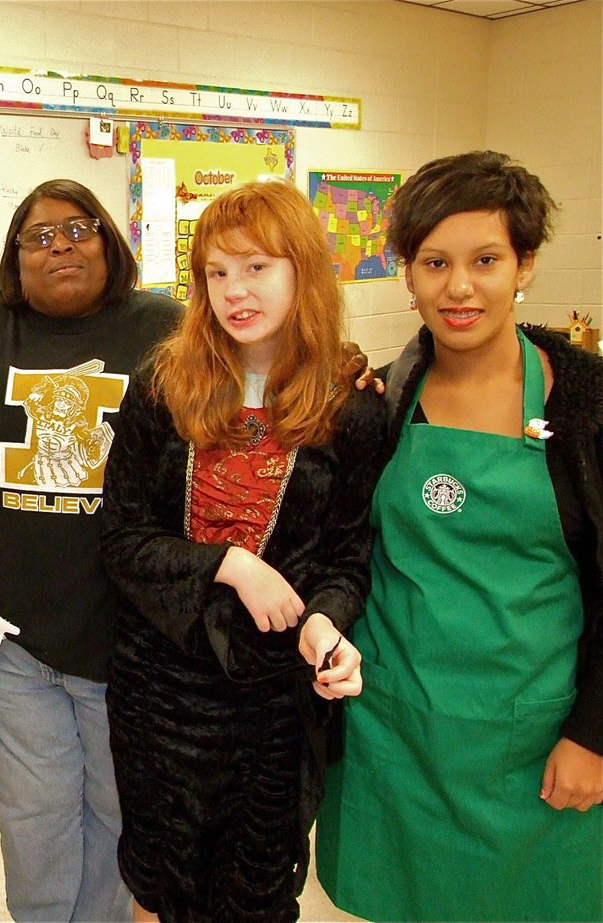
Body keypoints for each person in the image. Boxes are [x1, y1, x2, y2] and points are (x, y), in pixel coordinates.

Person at [316, 150, 603, 922]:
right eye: (434, 262)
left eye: (486, 259)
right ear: (406, 273)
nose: (460, 286)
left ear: (525, 265)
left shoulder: (581, 403)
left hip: (537, 746)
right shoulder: (383, 399)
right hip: (398, 735)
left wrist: (594, 735)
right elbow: (347, 549)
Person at [98, 180, 388, 921]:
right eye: (216, 273)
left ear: (302, 270)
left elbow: (348, 558)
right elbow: (123, 539)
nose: (234, 291)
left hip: (269, 704)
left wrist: (326, 623)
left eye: (256, 267)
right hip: (159, 690)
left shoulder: (350, 405)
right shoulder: (163, 385)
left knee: (254, 889)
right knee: (159, 885)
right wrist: (230, 564)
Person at [0, 180, 184, 922]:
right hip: (12, 641)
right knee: (35, 820)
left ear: (110, 240)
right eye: (39, 236)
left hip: (128, 638)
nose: (62, 245)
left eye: (79, 229)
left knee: (119, 813)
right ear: (14, 258)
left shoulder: (166, 326)